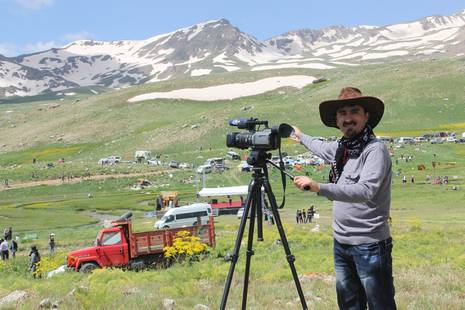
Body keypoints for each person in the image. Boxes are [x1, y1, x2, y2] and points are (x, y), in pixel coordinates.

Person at [291, 87, 396, 309]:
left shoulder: (374, 150)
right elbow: (320, 147)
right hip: (342, 244)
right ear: (337, 120)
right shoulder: (343, 149)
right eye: (342, 113)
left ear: (366, 116)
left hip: (370, 245)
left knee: (380, 304)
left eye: (354, 111)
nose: (348, 118)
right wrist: (300, 136)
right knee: (349, 304)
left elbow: (365, 190)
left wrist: (319, 187)